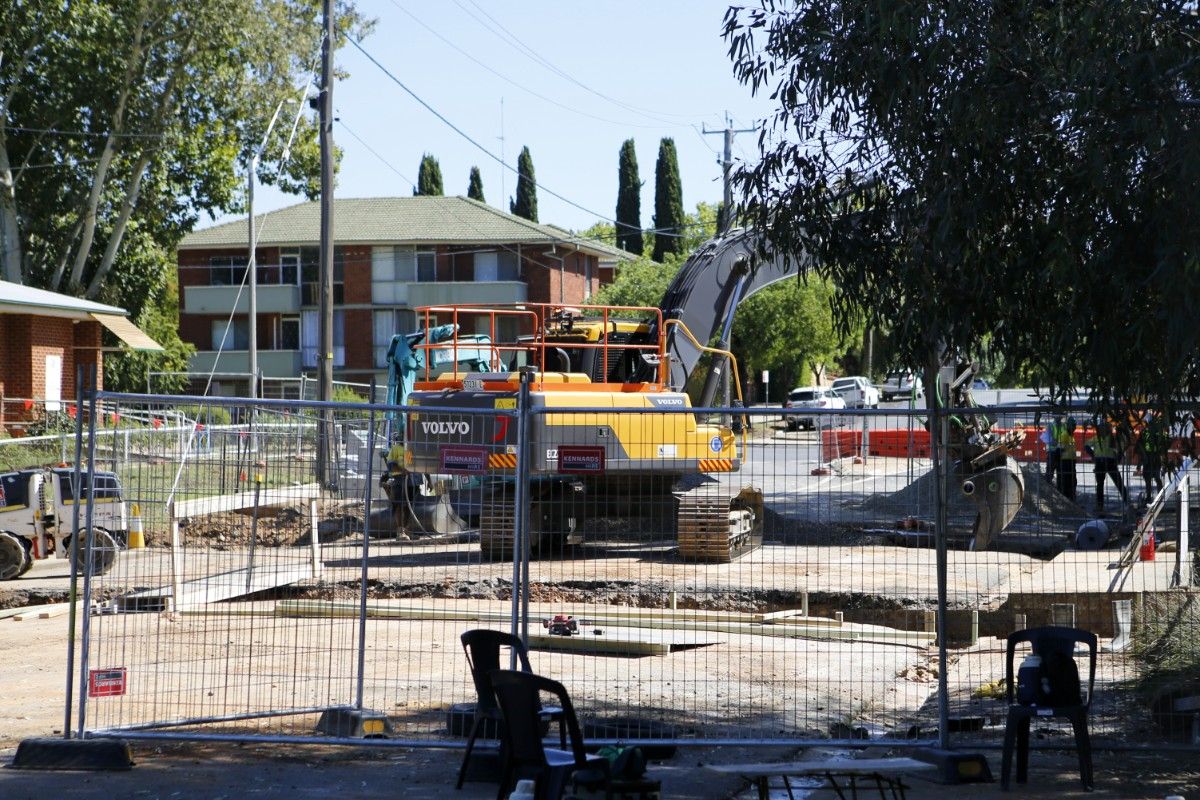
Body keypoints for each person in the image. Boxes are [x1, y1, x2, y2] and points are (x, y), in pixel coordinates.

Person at [1085, 420, 1127, 512]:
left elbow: (1121, 447)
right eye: (1101, 428)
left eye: (1106, 427)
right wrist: (1093, 455)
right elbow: (1086, 445)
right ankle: (1100, 506)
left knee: (1118, 482)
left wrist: (1118, 457)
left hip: (1110, 462)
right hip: (1100, 462)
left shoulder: (1112, 439)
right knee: (1100, 484)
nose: (1103, 429)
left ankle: (1127, 502)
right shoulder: (1096, 438)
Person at [1137, 411, 1167, 506]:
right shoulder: (1156, 431)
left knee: (1150, 478)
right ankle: (1158, 496)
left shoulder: (1146, 432)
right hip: (1154, 457)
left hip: (1150, 457)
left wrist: (1141, 461)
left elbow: (1140, 445)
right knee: (1155, 477)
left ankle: (1153, 497)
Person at [1055, 416, 1078, 501]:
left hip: (1071, 462)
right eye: (1072, 425)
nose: (1074, 428)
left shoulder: (1071, 436)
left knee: (1072, 482)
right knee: (1066, 482)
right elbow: (1059, 450)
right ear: (1068, 425)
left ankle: (1071, 498)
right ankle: (1066, 499)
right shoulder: (1064, 435)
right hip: (1065, 463)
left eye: (1074, 426)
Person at [1043, 414, 1065, 482]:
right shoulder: (1050, 425)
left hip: (1061, 451)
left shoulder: (1064, 426)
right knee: (1050, 470)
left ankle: (1060, 488)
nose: (1059, 418)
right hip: (1052, 451)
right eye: (1057, 416)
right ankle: (1048, 485)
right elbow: (1046, 438)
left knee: (1061, 472)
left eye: (1060, 416)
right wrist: (1054, 441)